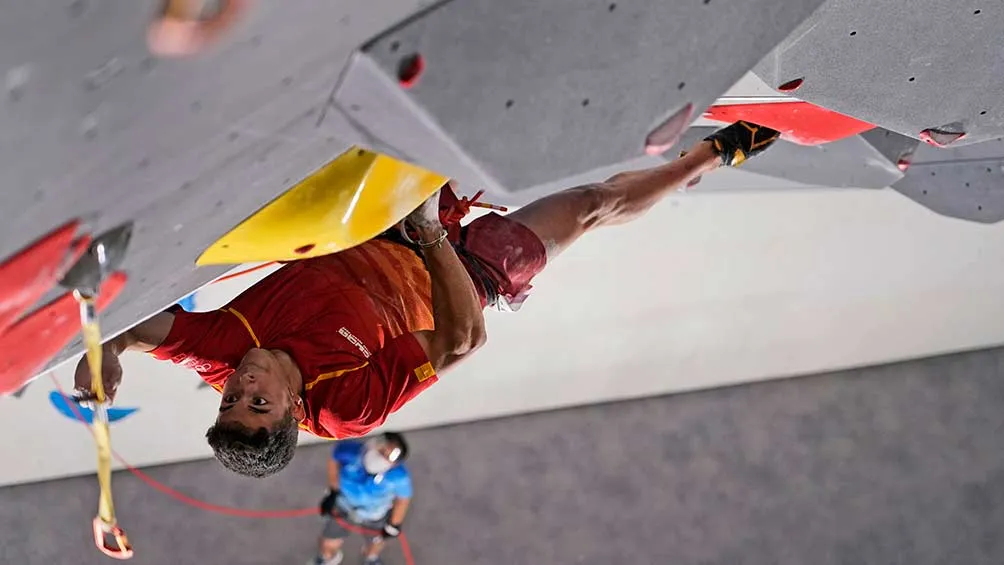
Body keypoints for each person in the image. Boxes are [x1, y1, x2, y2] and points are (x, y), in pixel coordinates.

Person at [73, 121, 780, 478]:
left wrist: (108, 350)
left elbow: (130, 327)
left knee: (453, 130)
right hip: (460, 276)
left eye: (232, 399)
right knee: (590, 206)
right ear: (290, 413)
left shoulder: (224, 356)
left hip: (373, 225)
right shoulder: (345, 407)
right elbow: (461, 341)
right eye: (257, 403)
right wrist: (435, 240)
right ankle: (713, 154)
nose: (244, 387)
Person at [312, 432, 412, 565]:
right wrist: (333, 491)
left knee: (376, 543)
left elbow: (402, 499)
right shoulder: (348, 451)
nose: (380, 456)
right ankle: (327, 558)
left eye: (387, 455)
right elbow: (334, 460)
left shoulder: (399, 477)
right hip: (343, 506)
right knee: (329, 540)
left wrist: (394, 524)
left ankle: (371, 559)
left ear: (394, 464)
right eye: (381, 448)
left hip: (376, 514)